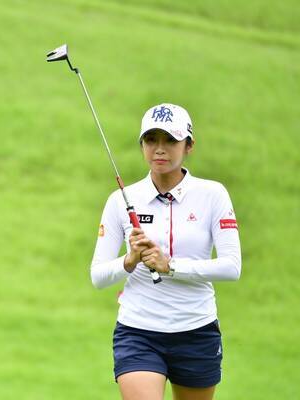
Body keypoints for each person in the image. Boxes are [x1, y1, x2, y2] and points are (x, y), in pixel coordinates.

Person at [90, 103, 241, 400]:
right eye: (151, 140)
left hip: (196, 330)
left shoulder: (213, 195)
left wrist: (170, 266)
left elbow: (231, 267)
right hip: (138, 331)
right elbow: (98, 276)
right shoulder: (121, 199)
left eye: (170, 140)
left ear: (189, 145)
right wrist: (129, 261)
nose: (159, 149)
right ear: (142, 145)